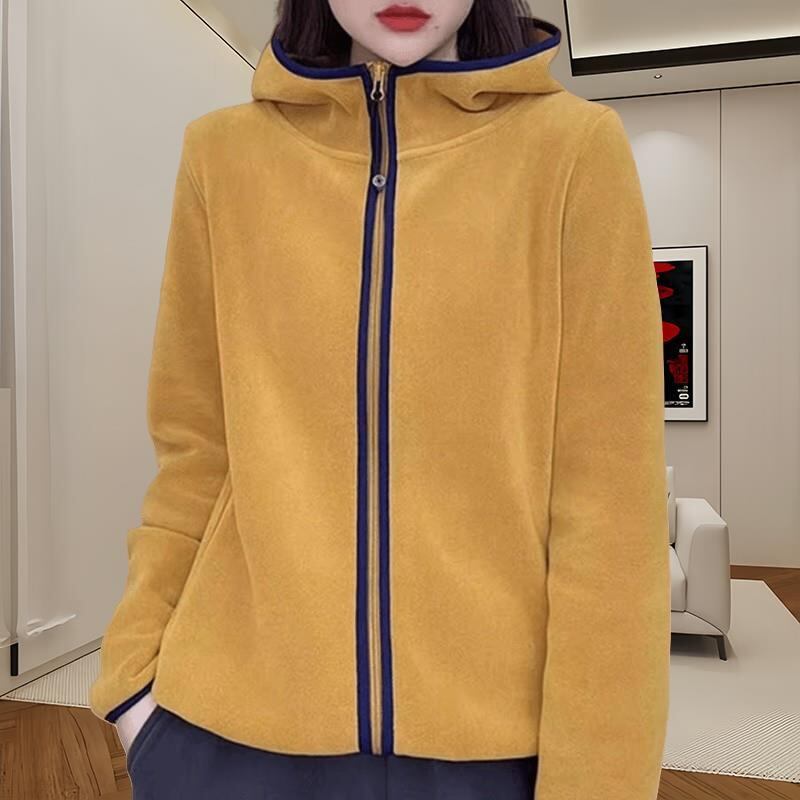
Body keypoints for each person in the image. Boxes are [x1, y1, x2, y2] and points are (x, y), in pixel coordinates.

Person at [89, 1, 672, 798]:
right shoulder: (220, 158)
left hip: (488, 760)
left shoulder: (573, 152)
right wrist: (131, 681)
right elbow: (195, 452)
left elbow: (609, 509)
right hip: (223, 744)